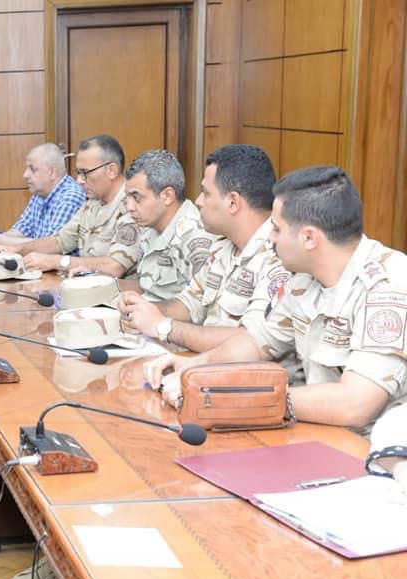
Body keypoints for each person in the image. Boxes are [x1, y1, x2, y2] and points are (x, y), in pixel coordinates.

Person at [145, 165, 407, 434]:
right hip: (321, 432)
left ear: (309, 238)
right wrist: (194, 367)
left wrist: (232, 400)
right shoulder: (303, 277)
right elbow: (258, 342)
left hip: (375, 449)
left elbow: (355, 404)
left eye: (277, 229)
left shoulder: (389, 285)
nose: (269, 238)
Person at [119, 145, 291, 352]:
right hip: (204, 364)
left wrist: (163, 326)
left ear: (233, 202)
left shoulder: (280, 258)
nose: (198, 201)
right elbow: (190, 302)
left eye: (206, 193)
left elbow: (251, 341)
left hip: (237, 370)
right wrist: (145, 310)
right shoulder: (223, 245)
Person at [0, 135, 140, 277]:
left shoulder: (132, 205)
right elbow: (60, 241)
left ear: (111, 170)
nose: (79, 180)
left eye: (85, 172)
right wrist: (15, 250)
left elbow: (115, 266)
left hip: (121, 293)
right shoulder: (93, 202)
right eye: (78, 172)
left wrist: (57, 261)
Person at [116, 149, 216, 301]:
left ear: (167, 196)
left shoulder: (195, 237)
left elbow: (201, 306)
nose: (129, 207)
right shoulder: (150, 226)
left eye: (136, 198)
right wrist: (102, 285)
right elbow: (148, 287)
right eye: (127, 197)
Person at [0, 143, 84, 248]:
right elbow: (20, 230)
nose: (25, 175)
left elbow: (50, 246)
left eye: (32, 169)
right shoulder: (40, 193)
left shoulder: (70, 197)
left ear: (52, 173)